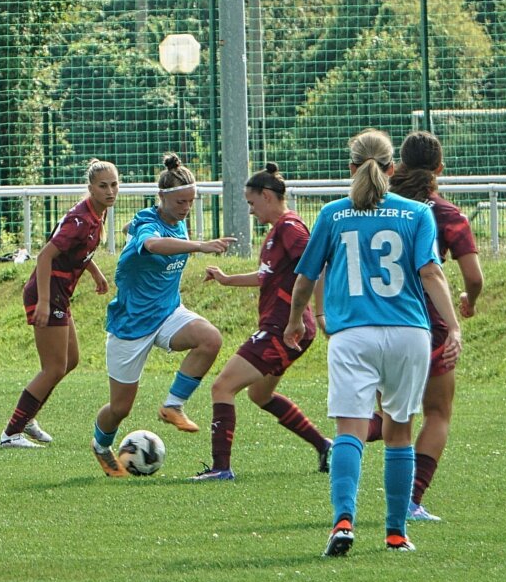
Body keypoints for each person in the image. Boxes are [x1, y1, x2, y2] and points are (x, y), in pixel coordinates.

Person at [284, 128, 463, 557]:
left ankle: (343, 520)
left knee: (350, 429)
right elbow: (431, 274)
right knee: (399, 432)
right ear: (393, 168)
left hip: (353, 335)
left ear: (351, 167)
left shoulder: (332, 213)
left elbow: (306, 277)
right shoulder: (417, 214)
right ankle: (396, 533)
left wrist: (297, 321)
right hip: (409, 334)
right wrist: (453, 326)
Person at [362, 130, 483, 521]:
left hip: (372, 319)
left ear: (398, 165)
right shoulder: (446, 214)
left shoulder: (373, 204)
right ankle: (410, 501)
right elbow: (473, 277)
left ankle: (344, 443)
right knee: (436, 413)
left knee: (389, 415)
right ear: (439, 168)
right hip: (424, 324)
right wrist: (468, 302)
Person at [91, 152, 236, 477]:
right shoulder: (149, 223)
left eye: (190, 202)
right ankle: (101, 446)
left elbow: (137, 231)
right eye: (181, 202)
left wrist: (128, 230)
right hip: (131, 324)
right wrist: (199, 246)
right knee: (120, 408)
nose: (186, 208)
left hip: (168, 313)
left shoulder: (174, 220)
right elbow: (154, 245)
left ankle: (172, 405)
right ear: (163, 199)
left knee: (209, 339)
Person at [192, 162, 331, 481]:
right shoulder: (276, 233)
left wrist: (314, 313)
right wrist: (228, 280)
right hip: (283, 326)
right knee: (259, 395)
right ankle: (324, 445)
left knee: (222, 386)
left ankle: (221, 468)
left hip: (283, 329)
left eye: (252, 203)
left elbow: (317, 264)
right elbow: (267, 276)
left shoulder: (290, 227)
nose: (251, 211)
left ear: (267, 196)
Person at [0, 159, 119, 448]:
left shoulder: (96, 214)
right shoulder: (79, 219)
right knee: (53, 367)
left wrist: (95, 273)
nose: (110, 191)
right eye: (103, 186)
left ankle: (28, 416)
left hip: (59, 294)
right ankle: (11, 433)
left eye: (114, 184)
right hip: (47, 292)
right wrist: (42, 302)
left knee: (70, 361)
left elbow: (77, 252)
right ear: (90, 188)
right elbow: (45, 257)